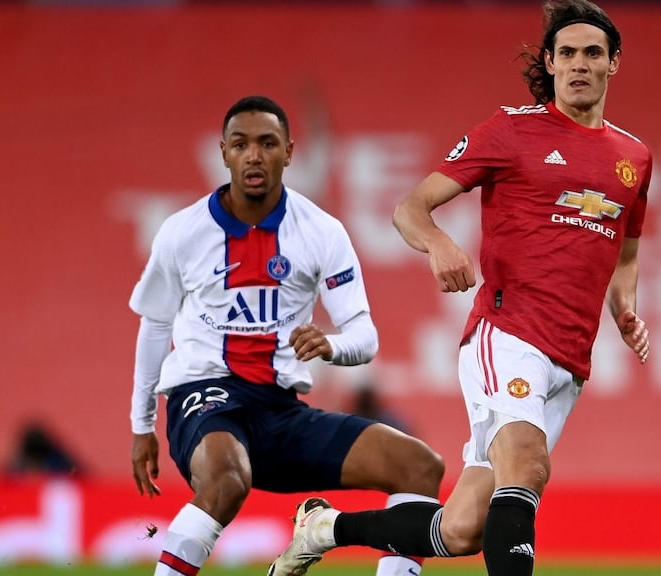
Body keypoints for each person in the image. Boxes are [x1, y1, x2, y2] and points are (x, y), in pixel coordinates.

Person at [268, 1, 651, 575]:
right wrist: (441, 244)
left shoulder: (634, 158)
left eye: (592, 53)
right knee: (528, 465)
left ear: (613, 63)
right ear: (548, 62)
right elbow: (409, 208)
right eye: (566, 53)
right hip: (508, 334)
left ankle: (324, 528)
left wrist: (625, 307)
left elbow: (626, 250)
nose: (578, 64)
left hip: (570, 358)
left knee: (463, 527)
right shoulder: (512, 130)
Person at [128, 95, 444, 576]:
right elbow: (155, 325)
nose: (254, 154)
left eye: (267, 143)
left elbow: (365, 335)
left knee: (420, 466)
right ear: (224, 152)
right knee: (227, 481)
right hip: (206, 395)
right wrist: (141, 425)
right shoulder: (183, 232)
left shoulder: (321, 231)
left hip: (278, 411)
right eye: (241, 144)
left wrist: (331, 346)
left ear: (290, 151)